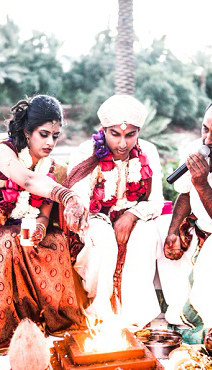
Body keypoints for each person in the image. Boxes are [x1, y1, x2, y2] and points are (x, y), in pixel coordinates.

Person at [0, 94, 88, 354]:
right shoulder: (2, 150)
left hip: (28, 224)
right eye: (43, 134)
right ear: (27, 130)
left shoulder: (55, 167)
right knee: (12, 243)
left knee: (55, 241)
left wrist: (42, 226)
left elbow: (44, 210)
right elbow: (28, 180)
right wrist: (67, 196)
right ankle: (9, 329)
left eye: (55, 136)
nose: (50, 142)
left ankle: (54, 321)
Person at [64, 94, 164, 329]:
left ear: (138, 132)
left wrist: (131, 216)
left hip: (137, 215)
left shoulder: (148, 151)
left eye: (130, 135)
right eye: (115, 134)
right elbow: (78, 197)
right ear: (104, 130)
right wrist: (104, 219)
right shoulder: (85, 152)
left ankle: (135, 318)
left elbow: (157, 201)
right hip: (96, 217)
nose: (122, 143)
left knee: (146, 237)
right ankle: (100, 312)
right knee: (103, 240)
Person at [155, 97, 212, 342]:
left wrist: (202, 183)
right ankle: (180, 317)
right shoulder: (194, 149)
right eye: (205, 129)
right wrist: (174, 231)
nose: (207, 140)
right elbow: (184, 194)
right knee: (161, 229)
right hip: (200, 233)